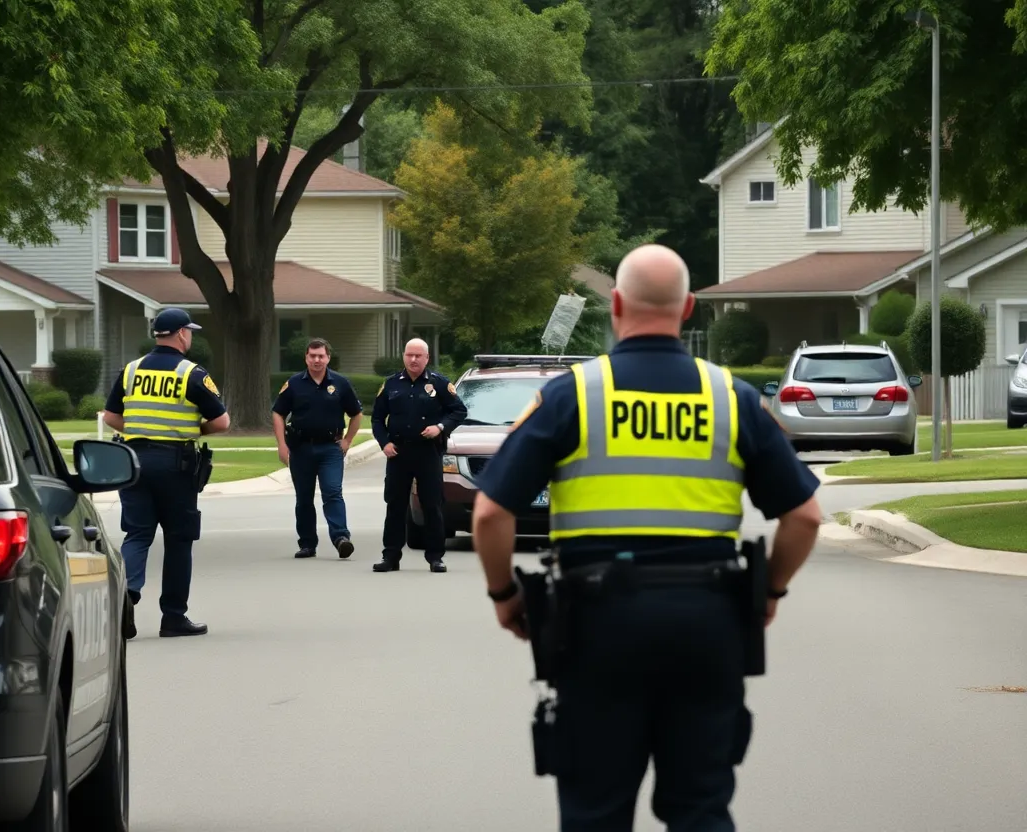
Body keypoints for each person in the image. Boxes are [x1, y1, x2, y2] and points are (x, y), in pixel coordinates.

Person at [470, 244, 822, 831]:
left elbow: (489, 514)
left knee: (596, 814)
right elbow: (805, 515)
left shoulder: (571, 395)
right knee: (700, 810)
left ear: (614, 304)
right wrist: (770, 595)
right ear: (687, 309)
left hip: (596, 627)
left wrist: (505, 595)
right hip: (708, 625)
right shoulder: (729, 397)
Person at [103, 307, 231, 640]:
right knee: (178, 540)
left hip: (133, 463)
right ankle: (173, 617)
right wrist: (189, 430)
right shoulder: (191, 373)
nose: (190, 336)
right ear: (180, 334)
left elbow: (111, 417)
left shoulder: (131, 370)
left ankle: (126, 598)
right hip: (175, 465)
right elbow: (221, 422)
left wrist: (142, 429)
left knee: (138, 534)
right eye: (189, 331)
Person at [370, 338, 468, 573]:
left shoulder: (440, 384)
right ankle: (390, 556)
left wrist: (440, 428)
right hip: (398, 454)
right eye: (409, 355)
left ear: (427, 358)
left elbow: (459, 411)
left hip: (427, 452)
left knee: (432, 504)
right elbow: (376, 419)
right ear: (404, 356)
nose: (413, 360)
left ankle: (435, 557)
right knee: (395, 505)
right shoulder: (392, 384)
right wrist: (384, 443)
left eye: (418, 356)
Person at [271, 337, 363, 559]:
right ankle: (307, 544)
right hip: (300, 448)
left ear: (328, 358)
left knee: (332, 492)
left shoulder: (340, 383)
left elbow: (356, 414)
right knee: (304, 497)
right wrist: (281, 445)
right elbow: (278, 413)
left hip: (330, 449)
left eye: (321, 356)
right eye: (312, 356)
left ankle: (341, 538)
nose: (316, 360)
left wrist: (348, 441)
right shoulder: (294, 384)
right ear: (306, 358)